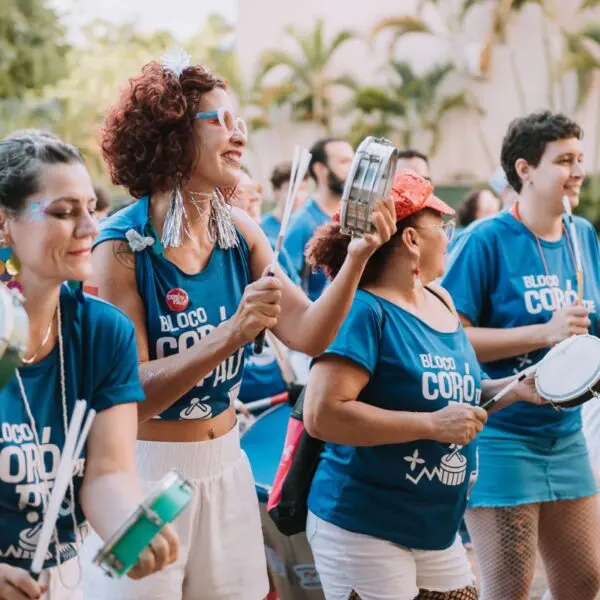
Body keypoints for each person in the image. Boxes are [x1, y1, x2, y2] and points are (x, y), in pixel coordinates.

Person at [79, 54, 396, 600]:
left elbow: (310, 335)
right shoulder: (121, 247)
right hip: (146, 473)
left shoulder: (241, 231)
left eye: (238, 122)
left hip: (227, 465)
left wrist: (358, 257)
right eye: (219, 121)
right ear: (172, 136)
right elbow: (132, 398)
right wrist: (231, 333)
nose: (238, 135)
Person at [301, 169, 541, 600]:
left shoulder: (440, 299)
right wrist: (431, 426)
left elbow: (455, 396)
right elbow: (324, 414)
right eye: (442, 228)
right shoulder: (360, 309)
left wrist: (515, 387)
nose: (450, 237)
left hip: (433, 526)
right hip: (364, 525)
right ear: (411, 239)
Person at [0, 130, 178, 600]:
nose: (89, 229)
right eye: (62, 213)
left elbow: (106, 472)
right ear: (4, 225)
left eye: (91, 209)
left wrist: (129, 530)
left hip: (57, 577)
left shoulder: (104, 333)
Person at [442, 111, 600, 600]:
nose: (577, 171)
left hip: (565, 432)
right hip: (501, 433)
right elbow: (449, 338)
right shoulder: (484, 240)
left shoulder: (583, 236)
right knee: (510, 585)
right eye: (564, 160)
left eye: (580, 158)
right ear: (525, 168)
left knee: (585, 581)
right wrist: (542, 333)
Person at [283, 137, 354, 301]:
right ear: (320, 169)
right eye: (344, 162)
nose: (352, 170)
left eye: (353, 162)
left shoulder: (355, 216)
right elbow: (286, 280)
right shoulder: (302, 222)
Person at [260, 161, 310, 243]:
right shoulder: (261, 228)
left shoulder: (312, 226)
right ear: (275, 191)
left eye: (302, 189)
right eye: (291, 190)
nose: (297, 196)